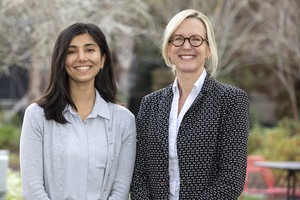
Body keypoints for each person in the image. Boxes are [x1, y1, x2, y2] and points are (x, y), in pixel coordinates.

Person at [130, 9, 250, 200]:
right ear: (169, 49)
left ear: (208, 49)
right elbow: (139, 175)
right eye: (178, 39)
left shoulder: (231, 100)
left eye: (196, 39)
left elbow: (231, 180)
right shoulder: (150, 104)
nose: (187, 46)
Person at [20, 23, 136, 200]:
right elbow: (32, 189)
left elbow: (120, 189)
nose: (82, 58)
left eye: (90, 50)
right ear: (61, 59)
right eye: (72, 51)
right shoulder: (37, 116)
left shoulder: (124, 120)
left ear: (103, 59)